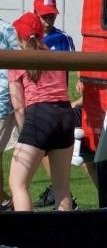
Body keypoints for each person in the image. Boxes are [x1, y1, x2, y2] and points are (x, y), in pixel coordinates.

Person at [8, 12, 76, 213]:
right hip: (65, 114)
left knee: (18, 184)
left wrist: (26, 137)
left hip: (39, 116)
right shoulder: (54, 55)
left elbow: (19, 106)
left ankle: (26, 237)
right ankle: (64, 240)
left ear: (19, 36)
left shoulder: (18, 59)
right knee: (62, 187)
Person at [32, 0, 80, 208]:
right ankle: (61, 190)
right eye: (44, 16)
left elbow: (79, 66)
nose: (48, 21)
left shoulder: (63, 38)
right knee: (41, 149)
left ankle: (61, 191)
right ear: (36, 15)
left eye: (51, 16)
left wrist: (80, 85)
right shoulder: (30, 39)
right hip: (36, 101)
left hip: (58, 102)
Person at [0, 15, 21, 210]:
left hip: (1, 102)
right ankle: (6, 201)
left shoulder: (6, 29)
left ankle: (8, 202)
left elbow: (21, 62)